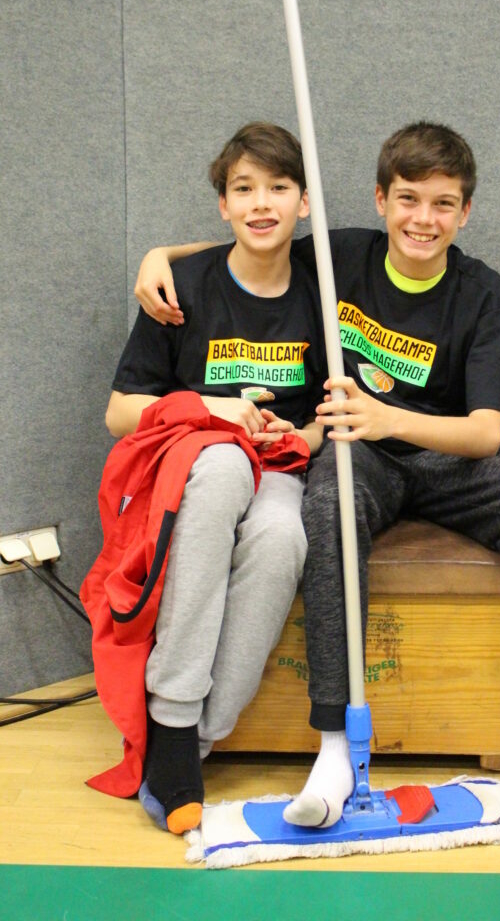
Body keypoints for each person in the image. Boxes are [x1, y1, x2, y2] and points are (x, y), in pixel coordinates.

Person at [133, 121, 500, 826]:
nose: (423, 219)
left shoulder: (485, 296)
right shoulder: (342, 257)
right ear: (381, 200)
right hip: (362, 455)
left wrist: (387, 417)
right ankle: (332, 747)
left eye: (443, 204)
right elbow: (254, 241)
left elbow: (484, 433)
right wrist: (160, 255)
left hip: (447, 455)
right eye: (408, 199)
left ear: (465, 213)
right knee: (325, 511)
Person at [89, 121, 325, 835]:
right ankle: (172, 710)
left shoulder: (324, 288)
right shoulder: (182, 286)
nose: (261, 203)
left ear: (304, 202)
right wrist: (211, 407)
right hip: (193, 461)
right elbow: (120, 413)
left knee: (283, 536)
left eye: (277, 188)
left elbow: (325, 417)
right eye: (243, 189)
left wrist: (301, 435)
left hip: (276, 464)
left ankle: (191, 737)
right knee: (221, 464)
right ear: (223, 205)